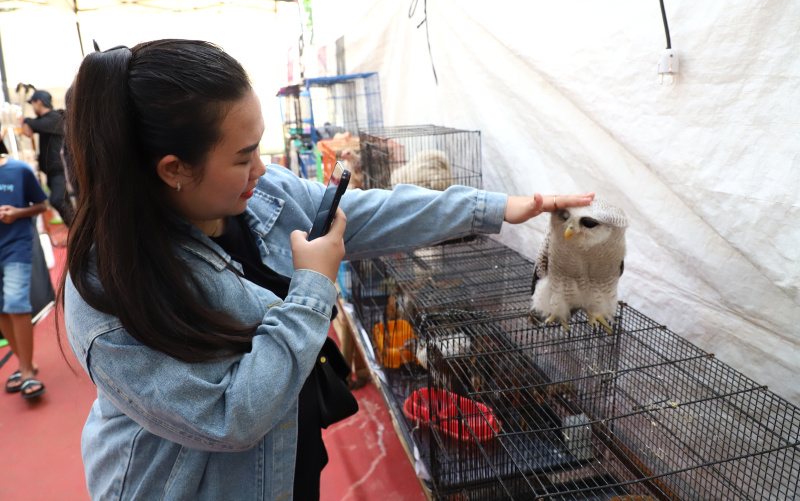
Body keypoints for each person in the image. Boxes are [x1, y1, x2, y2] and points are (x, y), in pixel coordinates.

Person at [61, 39, 594, 501]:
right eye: (243, 156)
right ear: (174, 169)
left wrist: (499, 207)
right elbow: (230, 417)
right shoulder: (109, 290)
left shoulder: (263, 195)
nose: (262, 169)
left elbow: (362, 213)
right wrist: (314, 285)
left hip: (288, 460)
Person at [0, 154, 49, 399]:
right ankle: (22, 364)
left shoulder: (19, 170)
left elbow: (43, 205)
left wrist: (17, 212)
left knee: (16, 304)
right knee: (1, 309)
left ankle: (27, 371)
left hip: (16, 246)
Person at [21, 89, 75, 227]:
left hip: (60, 170)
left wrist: (26, 120)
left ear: (39, 102)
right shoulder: (47, 120)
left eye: (33, 104)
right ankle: (76, 230)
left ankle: (78, 229)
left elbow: (35, 125)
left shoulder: (55, 118)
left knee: (57, 200)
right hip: (53, 172)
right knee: (64, 202)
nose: (32, 108)